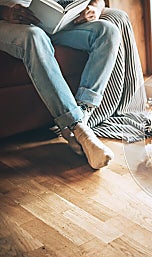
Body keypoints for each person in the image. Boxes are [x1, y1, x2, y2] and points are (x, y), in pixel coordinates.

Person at [0, 0, 121, 169]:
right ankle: (76, 128)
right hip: (9, 22)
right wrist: (5, 12)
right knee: (34, 37)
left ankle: (82, 114)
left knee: (108, 31)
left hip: (53, 24)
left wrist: (95, 7)